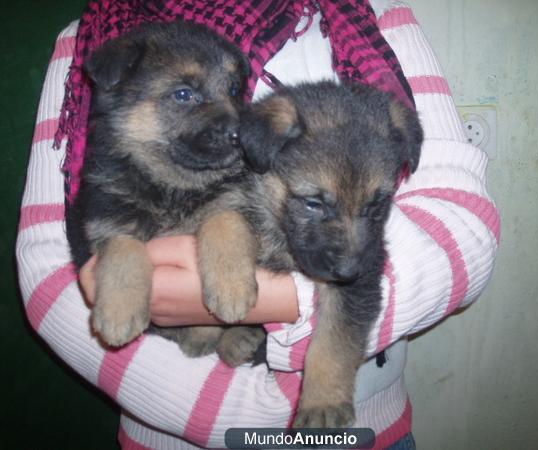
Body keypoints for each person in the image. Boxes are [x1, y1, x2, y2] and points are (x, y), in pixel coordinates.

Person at [16, 1, 500, 448]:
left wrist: (283, 310)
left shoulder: (378, 14)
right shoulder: (87, 39)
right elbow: (48, 276)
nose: (227, 118)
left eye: (231, 91)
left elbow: (465, 228)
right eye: (184, 94)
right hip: (168, 433)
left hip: (361, 426)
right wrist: (235, 415)